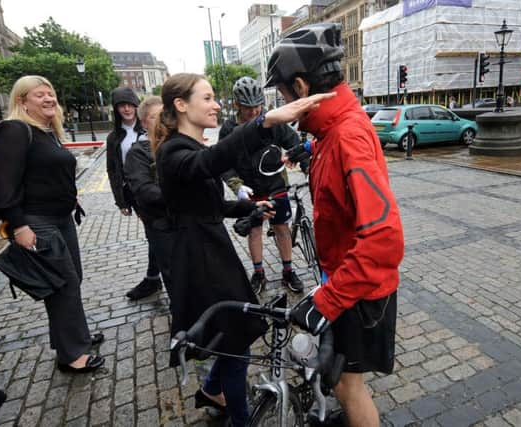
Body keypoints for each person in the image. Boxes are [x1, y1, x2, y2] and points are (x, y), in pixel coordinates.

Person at [154, 73, 334, 427]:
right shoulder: (176, 150)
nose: (216, 104)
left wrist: (250, 209)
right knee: (236, 342)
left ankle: (210, 388)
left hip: (210, 251)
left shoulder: (189, 148)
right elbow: (210, 164)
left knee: (231, 335)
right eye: (206, 98)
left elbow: (209, 205)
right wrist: (264, 122)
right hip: (199, 260)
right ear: (181, 105)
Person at [266, 23, 404, 427]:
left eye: (284, 94)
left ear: (302, 87)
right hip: (345, 280)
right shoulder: (331, 130)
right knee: (344, 378)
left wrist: (326, 300)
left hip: (359, 290)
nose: (284, 103)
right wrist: (306, 150)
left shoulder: (346, 136)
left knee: (348, 385)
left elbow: (384, 241)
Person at [0, 75, 105, 373]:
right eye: (39, 94)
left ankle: (74, 338)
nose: (49, 98)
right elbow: (4, 187)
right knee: (64, 284)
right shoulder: (14, 130)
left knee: (71, 280)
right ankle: (71, 356)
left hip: (61, 218)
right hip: (36, 222)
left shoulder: (46, 132)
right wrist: (19, 226)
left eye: (50, 93)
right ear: (21, 101)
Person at [219, 76, 307, 294]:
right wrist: (236, 185)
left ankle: (288, 271)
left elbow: (295, 144)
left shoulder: (272, 121)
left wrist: (308, 167)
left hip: (275, 185)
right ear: (237, 104)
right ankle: (259, 273)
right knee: (255, 231)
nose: (254, 112)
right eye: (248, 108)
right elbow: (221, 162)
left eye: (258, 106)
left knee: (281, 228)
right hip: (249, 189)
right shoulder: (229, 129)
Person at [107, 87, 162, 300]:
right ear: (116, 109)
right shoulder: (114, 137)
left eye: (130, 104)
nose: (127, 109)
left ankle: (153, 277)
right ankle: (153, 277)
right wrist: (120, 201)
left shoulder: (148, 126)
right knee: (153, 233)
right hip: (136, 192)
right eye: (122, 105)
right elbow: (113, 170)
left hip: (157, 186)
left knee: (156, 233)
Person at [124, 96, 174, 302]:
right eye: (156, 117)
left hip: (184, 222)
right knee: (172, 273)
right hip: (161, 223)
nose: (162, 120)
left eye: (165, 115)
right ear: (144, 122)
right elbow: (145, 190)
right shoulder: (138, 152)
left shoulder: (177, 144)